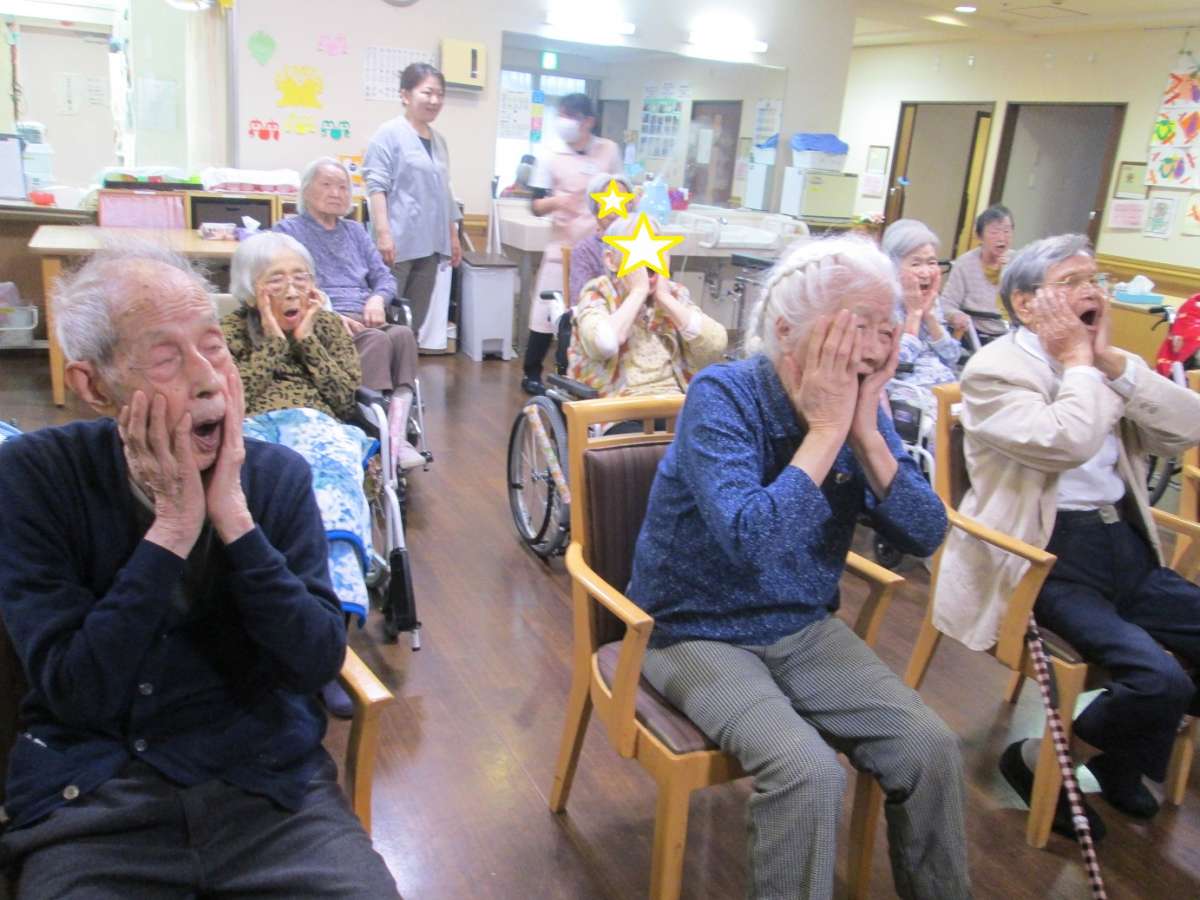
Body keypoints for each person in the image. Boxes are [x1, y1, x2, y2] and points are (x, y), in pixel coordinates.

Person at [0, 242, 398, 897]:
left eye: (214, 347)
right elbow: (77, 691)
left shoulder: (275, 477)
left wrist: (235, 521)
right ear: (93, 386)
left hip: (266, 791)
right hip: (94, 801)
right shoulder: (36, 478)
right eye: (166, 357)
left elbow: (312, 663)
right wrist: (173, 529)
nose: (209, 379)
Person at [627, 236, 969, 899]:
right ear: (786, 330)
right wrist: (826, 432)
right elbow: (750, 541)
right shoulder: (724, 395)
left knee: (930, 747)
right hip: (693, 629)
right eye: (856, 325)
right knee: (807, 772)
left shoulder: (860, 403)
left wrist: (865, 434)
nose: (874, 347)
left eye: (886, 328)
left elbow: (927, 532)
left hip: (802, 626)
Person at [933, 234, 1200, 840]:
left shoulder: (1104, 363)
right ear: (1026, 304)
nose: (1092, 292)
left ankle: (1118, 756)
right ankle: (1040, 759)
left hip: (1123, 542)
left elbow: (1188, 428)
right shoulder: (994, 370)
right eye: (1072, 282)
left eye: (1096, 279)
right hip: (1047, 556)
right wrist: (1083, 364)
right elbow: (1068, 441)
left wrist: (1112, 364)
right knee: (1159, 678)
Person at [222, 232, 376, 720]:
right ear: (250, 289)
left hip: (318, 427)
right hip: (254, 430)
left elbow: (344, 398)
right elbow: (232, 398)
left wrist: (306, 338)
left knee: (330, 501)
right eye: (276, 281)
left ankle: (328, 650)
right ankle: (264, 641)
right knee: (258, 503)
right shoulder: (229, 331)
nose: (292, 291)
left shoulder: (327, 326)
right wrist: (273, 342)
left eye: (301, 278)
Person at [276, 156, 424, 471]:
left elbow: (384, 277)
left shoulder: (355, 232)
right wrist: (325, 311)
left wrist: (377, 299)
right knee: (377, 340)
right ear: (306, 191)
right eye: (327, 185)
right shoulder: (288, 232)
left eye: (343, 187)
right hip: (319, 320)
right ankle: (369, 432)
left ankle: (396, 436)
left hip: (365, 314)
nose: (336, 193)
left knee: (402, 335)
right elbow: (287, 284)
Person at [521, 93, 621, 395]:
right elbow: (535, 205)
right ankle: (532, 372)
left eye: (570, 116)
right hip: (561, 245)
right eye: (561, 115)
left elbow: (622, 194)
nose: (563, 121)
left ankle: (582, 373)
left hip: (599, 249)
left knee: (592, 310)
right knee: (545, 311)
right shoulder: (550, 152)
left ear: (589, 121)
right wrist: (558, 201)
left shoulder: (608, 151)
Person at [567, 214, 726, 398]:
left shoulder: (674, 293)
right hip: (618, 405)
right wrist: (638, 291)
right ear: (611, 260)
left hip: (675, 403)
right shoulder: (598, 292)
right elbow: (604, 345)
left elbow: (716, 345)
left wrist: (665, 298)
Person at [364, 62, 462, 334]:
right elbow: (376, 186)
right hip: (397, 244)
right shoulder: (388, 134)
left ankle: (408, 361)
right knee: (386, 318)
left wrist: (453, 236)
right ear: (405, 95)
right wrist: (383, 234)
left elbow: (444, 191)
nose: (435, 100)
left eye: (440, 94)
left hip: (430, 245)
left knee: (413, 322)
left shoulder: (439, 141)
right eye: (427, 92)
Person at [880, 219, 961, 426]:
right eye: (916, 264)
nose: (926, 272)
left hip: (945, 390)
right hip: (907, 396)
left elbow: (952, 357)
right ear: (893, 267)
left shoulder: (931, 300)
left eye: (931, 262)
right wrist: (914, 315)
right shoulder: (884, 303)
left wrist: (930, 316)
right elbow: (896, 365)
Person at [940, 204, 1014, 343]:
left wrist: (1009, 272)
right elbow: (946, 304)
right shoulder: (965, 263)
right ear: (980, 236)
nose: (1002, 238)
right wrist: (956, 316)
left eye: (1007, 231)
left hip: (1008, 336)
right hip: (973, 335)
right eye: (994, 232)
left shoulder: (1018, 263)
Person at [568, 171, 636, 306]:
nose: (614, 211)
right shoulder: (584, 250)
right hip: (600, 314)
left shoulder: (643, 246)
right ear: (594, 207)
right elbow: (582, 300)